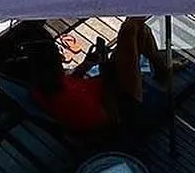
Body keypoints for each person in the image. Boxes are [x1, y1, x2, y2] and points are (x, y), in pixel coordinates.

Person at [25, 18, 169, 134]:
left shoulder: (42, 84)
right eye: (58, 54)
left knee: (137, 30)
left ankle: (161, 68)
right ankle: (162, 69)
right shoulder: (75, 104)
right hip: (124, 103)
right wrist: (108, 77)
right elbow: (113, 121)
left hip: (103, 84)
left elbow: (68, 81)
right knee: (130, 29)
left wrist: (85, 65)